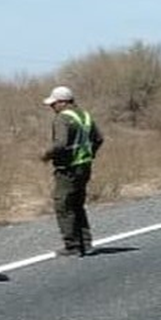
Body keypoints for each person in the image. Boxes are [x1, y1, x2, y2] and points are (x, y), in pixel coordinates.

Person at [40, 85, 104, 257]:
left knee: (64, 205)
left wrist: (46, 155)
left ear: (62, 102)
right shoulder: (85, 116)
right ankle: (86, 244)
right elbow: (99, 138)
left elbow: (60, 143)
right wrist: (90, 154)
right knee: (78, 205)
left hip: (67, 169)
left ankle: (72, 246)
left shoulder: (63, 118)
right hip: (84, 166)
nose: (52, 107)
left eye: (54, 104)